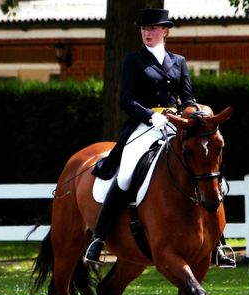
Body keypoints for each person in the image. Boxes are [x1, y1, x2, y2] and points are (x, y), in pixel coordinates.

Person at [85, 8, 236, 268]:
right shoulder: (133, 60)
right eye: (144, 29)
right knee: (126, 174)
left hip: (176, 125)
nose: (147, 33)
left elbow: (187, 97)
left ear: (164, 31)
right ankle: (98, 238)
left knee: (209, 177)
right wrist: (150, 116)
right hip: (145, 126)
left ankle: (218, 242)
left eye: (152, 28)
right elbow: (126, 99)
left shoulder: (178, 61)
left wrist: (192, 115)